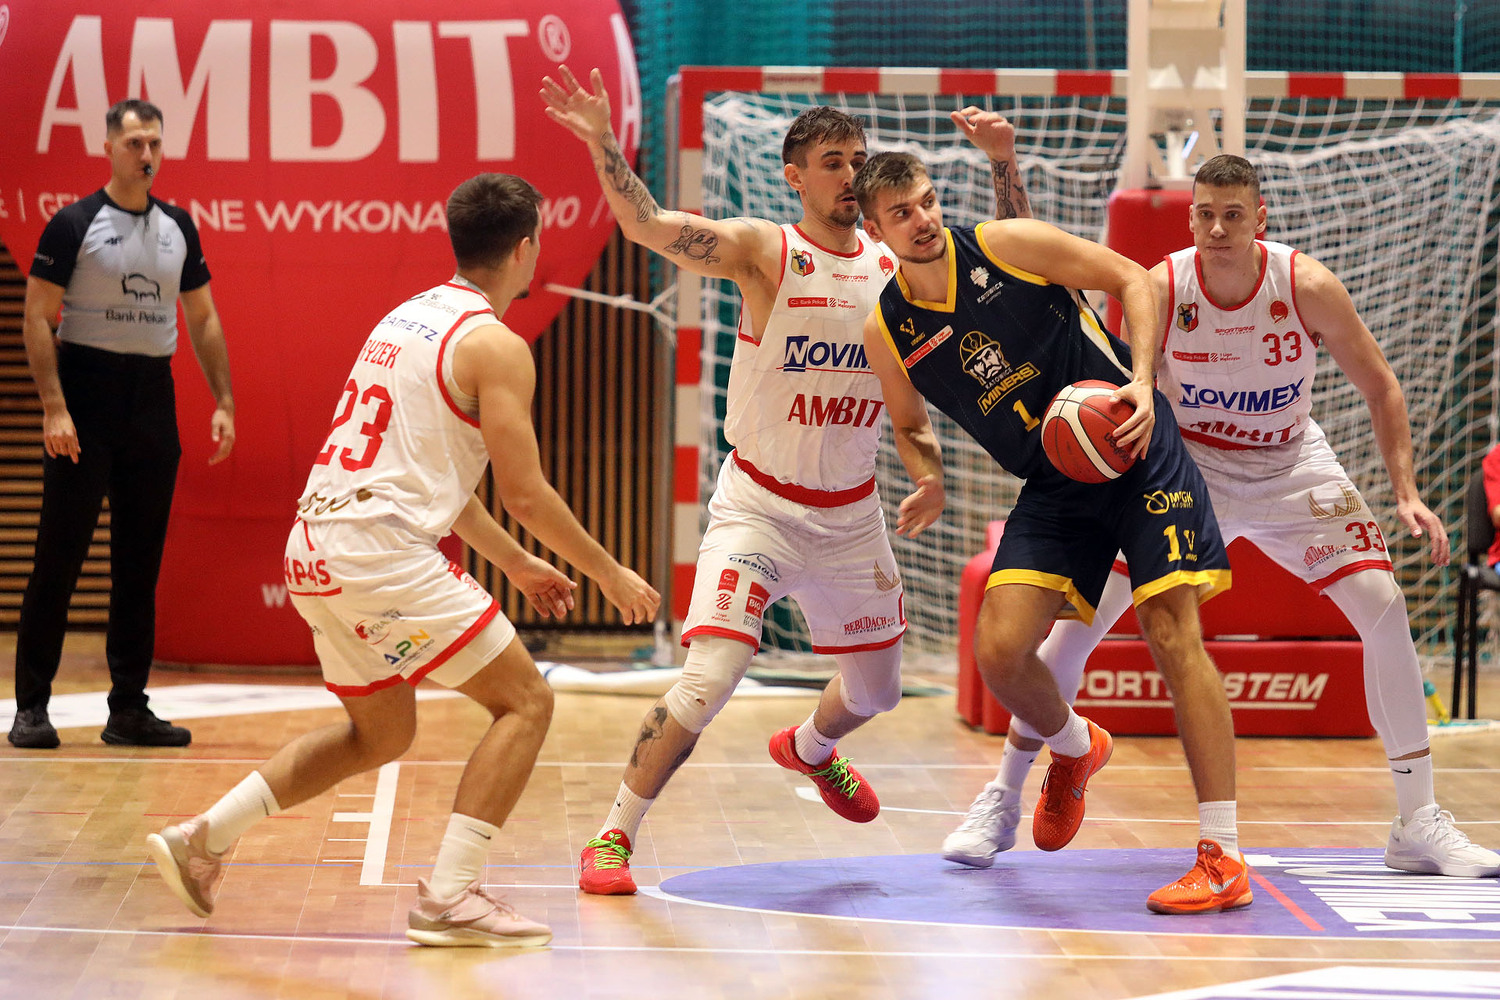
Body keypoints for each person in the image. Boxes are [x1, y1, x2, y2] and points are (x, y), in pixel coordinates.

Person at [542, 65, 1031, 896]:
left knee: (878, 693)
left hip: (851, 517)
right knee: (710, 678)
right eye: (833, 163)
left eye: (858, 161)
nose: (850, 175)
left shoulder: (897, 264)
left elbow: (1014, 269)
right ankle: (613, 835)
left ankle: (810, 747)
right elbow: (647, 225)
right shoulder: (765, 251)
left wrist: (1002, 162)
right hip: (760, 508)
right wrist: (600, 142)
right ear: (795, 177)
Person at [942, 153, 1500, 880]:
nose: (1217, 228)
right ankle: (1002, 798)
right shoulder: (1162, 287)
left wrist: (1407, 493)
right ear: (1190, 217)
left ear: (1259, 218)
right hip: (1187, 467)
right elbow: (1087, 332)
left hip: (1291, 464)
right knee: (1078, 626)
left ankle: (1417, 821)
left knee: (1384, 608)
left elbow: (1381, 384)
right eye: (1205, 214)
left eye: (1233, 215)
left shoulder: (1305, 285)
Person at [145, 173, 660, 947]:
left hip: (314, 547)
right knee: (526, 702)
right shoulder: (496, 345)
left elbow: (441, 485)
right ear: (525, 250)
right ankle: (450, 896)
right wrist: (610, 573)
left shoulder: (404, 318)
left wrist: (517, 565)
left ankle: (203, 839)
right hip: (380, 553)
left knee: (379, 736)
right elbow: (524, 493)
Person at [856, 150, 1250, 914]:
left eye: (927, 201)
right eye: (902, 213)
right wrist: (928, 477)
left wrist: (1142, 380)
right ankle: (1075, 747)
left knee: (1173, 633)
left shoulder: (1005, 244)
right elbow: (910, 424)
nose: (923, 219)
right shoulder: (887, 326)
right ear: (875, 230)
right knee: (1000, 651)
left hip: (1133, 444)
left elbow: (1131, 278)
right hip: (1057, 478)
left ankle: (1223, 853)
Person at [9, 99, 235, 750]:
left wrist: (224, 400)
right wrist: (55, 407)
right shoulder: (73, 224)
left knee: (139, 565)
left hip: (151, 400)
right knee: (58, 559)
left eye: (155, 143)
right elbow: (36, 318)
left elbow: (203, 319)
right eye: (134, 142)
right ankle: (31, 708)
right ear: (108, 147)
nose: (146, 154)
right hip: (86, 395)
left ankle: (128, 709)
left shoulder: (179, 227)